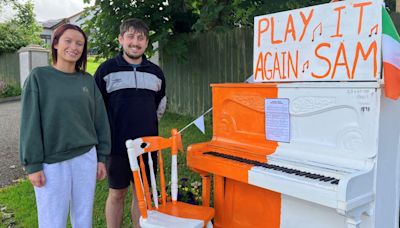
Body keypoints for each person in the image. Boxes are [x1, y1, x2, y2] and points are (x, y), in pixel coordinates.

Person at [19, 24, 111, 228]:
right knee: (53, 220)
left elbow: (100, 120)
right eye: (68, 41)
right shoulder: (39, 77)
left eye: (79, 43)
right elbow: (29, 123)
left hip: (86, 157)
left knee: (83, 217)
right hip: (52, 161)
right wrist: (33, 164)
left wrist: (101, 157)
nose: (74, 47)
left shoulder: (87, 80)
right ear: (55, 43)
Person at [94, 18, 167, 227]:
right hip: (117, 146)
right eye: (131, 36)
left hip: (147, 146)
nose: (136, 42)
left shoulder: (156, 72)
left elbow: (160, 106)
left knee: (142, 195)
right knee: (117, 193)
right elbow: (96, 109)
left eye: (141, 38)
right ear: (121, 39)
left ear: (146, 42)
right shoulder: (106, 70)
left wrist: (147, 127)